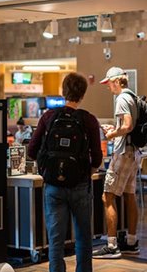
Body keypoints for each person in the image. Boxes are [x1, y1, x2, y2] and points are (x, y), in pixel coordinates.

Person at [27, 72, 102, 272]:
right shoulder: (89, 120)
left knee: (56, 240)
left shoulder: (49, 117)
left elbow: (31, 151)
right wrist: (87, 172)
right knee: (84, 238)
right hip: (80, 186)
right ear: (83, 94)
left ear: (63, 92)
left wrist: (49, 169)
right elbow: (97, 158)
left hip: (53, 186)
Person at [93, 67, 141, 259]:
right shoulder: (133, 97)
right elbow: (129, 127)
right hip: (134, 152)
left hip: (122, 154)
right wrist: (116, 128)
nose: (107, 87)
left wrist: (112, 133)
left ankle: (112, 245)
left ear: (116, 81)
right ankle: (131, 241)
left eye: (108, 83)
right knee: (130, 196)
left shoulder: (121, 98)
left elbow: (128, 126)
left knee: (107, 196)